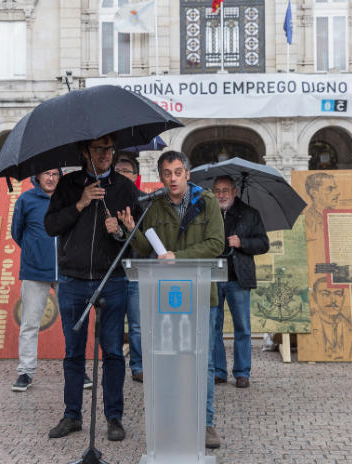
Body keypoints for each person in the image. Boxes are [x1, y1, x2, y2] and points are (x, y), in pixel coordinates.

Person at [118, 150, 224, 449]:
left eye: (178, 172)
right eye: (167, 173)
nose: (173, 178)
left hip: (202, 292)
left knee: (202, 361)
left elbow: (216, 244)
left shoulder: (207, 203)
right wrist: (130, 229)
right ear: (161, 176)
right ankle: (174, 419)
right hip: (168, 295)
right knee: (173, 358)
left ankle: (205, 423)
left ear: (187, 174)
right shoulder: (155, 207)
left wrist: (180, 257)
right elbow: (151, 249)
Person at [44, 134, 140, 442]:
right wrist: (81, 203)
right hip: (72, 281)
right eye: (99, 149)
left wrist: (121, 232)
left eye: (109, 149)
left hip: (112, 281)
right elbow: (51, 226)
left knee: (112, 351)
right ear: (85, 152)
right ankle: (72, 415)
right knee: (73, 353)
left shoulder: (125, 188)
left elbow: (137, 240)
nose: (106, 154)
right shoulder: (68, 184)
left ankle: (114, 417)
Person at [10, 168, 85, 391]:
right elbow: (17, 232)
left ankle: (78, 369)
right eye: (46, 174)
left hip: (67, 271)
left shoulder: (69, 198)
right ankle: (25, 372)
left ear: (60, 176)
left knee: (73, 324)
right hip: (34, 273)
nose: (50, 178)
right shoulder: (26, 199)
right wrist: (35, 253)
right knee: (30, 324)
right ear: (37, 176)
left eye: (55, 174)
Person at [212, 175, 269, 389]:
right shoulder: (209, 214)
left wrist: (242, 242)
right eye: (217, 190)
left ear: (235, 191)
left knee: (242, 327)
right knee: (213, 326)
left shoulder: (249, 214)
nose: (221, 194)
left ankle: (242, 372)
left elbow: (263, 244)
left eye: (225, 190)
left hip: (239, 278)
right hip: (214, 277)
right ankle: (218, 371)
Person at [114, 157, 143, 382]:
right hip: (112, 271)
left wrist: (129, 228)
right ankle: (112, 366)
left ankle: (138, 366)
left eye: (126, 171)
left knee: (136, 324)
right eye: (118, 170)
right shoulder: (105, 200)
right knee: (112, 325)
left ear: (135, 175)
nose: (121, 173)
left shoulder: (144, 201)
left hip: (136, 270)